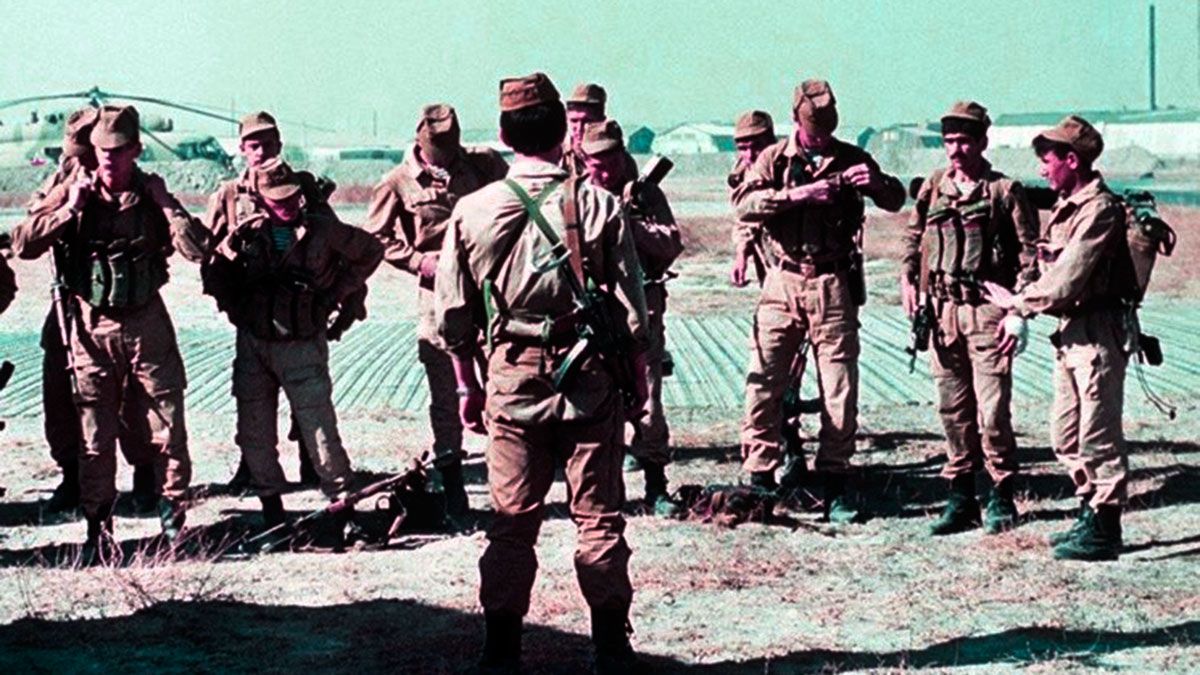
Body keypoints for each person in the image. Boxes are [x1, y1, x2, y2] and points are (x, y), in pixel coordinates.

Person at [434, 72, 650, 673]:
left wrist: (466, 385)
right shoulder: (599, 204)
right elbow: (632, 312)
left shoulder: (473, 210)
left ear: (504, 136)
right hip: (591, 380)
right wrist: (638, 380)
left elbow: (452, 316)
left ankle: (500, 654)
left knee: (511, 524)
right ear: (564, 134)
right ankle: (611, 651)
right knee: (600, 520)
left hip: (511, 377)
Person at [12, 105, 209, 559]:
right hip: (90, 325)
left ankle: (172, 522)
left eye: (118, 150)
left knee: (168, 426)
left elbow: (199, 249)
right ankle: (98, 530)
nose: (108, 158)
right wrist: (70, 209)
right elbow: (23, 243)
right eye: (101, 149)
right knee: (94, 436)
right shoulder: (74, 189)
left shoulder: (151, 192)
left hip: (146, 323)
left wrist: (167, 205)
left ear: (136, 150)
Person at [731, 79, 905, 522]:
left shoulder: (851, 157)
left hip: (833, 284)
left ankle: (835, 479)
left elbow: (896, 200)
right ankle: (760, 474)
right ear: (795, 121)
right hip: (782, 281)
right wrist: (797, 195)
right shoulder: (773, 159)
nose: (822, 140)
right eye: (814, 133)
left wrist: (877, 183)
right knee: (764, 379)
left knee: (839, 387)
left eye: (827, 132)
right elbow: (745, 206)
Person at [205, 157, 382, 540]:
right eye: (277, 199)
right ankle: (272, 515)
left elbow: (370, 251)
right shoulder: (245, 235)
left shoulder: (323, 230)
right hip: (254, 345)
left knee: (320, 431)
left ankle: (343, 510)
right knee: (255, 432)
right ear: (260, 200)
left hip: (302, 345)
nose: (286, 205)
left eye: (292, 197)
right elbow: (215, 271)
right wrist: (237, 311)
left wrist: (335, 293)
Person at [984, 115, 1136, 562]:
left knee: (1098, 434)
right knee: (1065, 434)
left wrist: (1018, 303)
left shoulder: (1100, 210)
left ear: (1072, 160)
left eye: (1047, 160)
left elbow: (1067, 279)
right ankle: (1089, 508)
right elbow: (1047, 267)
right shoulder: (1067, 207)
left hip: (1097, 332)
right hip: (1069, 331)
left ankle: (1106, 527)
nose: (1042, 169)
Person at [902, 101, 1040, 535]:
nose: (955, 151)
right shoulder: (934, 186)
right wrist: (908, 278)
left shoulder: (1004, 191)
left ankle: (1001, 492)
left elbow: (1030, 255)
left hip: (987, 314)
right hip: (942, 313)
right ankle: (960, 496)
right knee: (952, 408)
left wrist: (1017, 310)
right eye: (948, 142)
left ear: (982, 142)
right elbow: (914, 236)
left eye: (964, 142)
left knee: (993, 411)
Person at [364, 103, 508, 515]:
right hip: (438, 297)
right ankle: (452, 481)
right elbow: (376, 237)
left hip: (488, 291)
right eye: (439, 150)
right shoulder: (397, 182)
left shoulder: (482, 164)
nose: (447, 157)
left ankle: (508, 472)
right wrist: (417, 261)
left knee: (502, 380)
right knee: (446, 394)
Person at [18, 107, 159, 514]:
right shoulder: (64, 183)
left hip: (122, 311)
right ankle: (72, 475)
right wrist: (68, 209)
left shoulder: (134, 185)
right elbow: (27, 239)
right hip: (70, 309)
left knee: (132, 399)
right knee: (61, 397)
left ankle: (144, 473)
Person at [204, 111, 336, 489]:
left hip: (302, 315)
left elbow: (333, 243)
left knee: (309, 397)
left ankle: (314, 464)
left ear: (279, 144)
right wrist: (232, 305)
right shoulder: (230, 195)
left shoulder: (304, 188)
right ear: (242, 149)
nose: (261, 151)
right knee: (253, 401)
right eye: (253, 145)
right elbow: (211, 255)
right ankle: (253, 468)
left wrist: (327, 300)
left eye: (268, 144)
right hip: (255, 316)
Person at [580, 118, 683, 516]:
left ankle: (656, 484)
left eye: (611, 163)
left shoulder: (644, 194)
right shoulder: (577, 198)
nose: (605, 172)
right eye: (597, 165)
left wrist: (628, 224)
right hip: (594, 312)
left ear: (623, 156)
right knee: (595, 405)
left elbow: (670, 244)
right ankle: (602, 491)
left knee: (649, 400)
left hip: (642, 310)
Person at [728, 109, 777, 288]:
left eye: (757, 147)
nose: (750, 155)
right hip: (764, 255)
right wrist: (741, 254)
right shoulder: (742, 174)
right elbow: (744, 219)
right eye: (743, 149)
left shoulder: (786, 168)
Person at [562, 82, 637, 180]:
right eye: (574, 121)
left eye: (587, 121)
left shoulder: (619, 160)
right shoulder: (557, 154)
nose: (579, 128)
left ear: (601, 120)